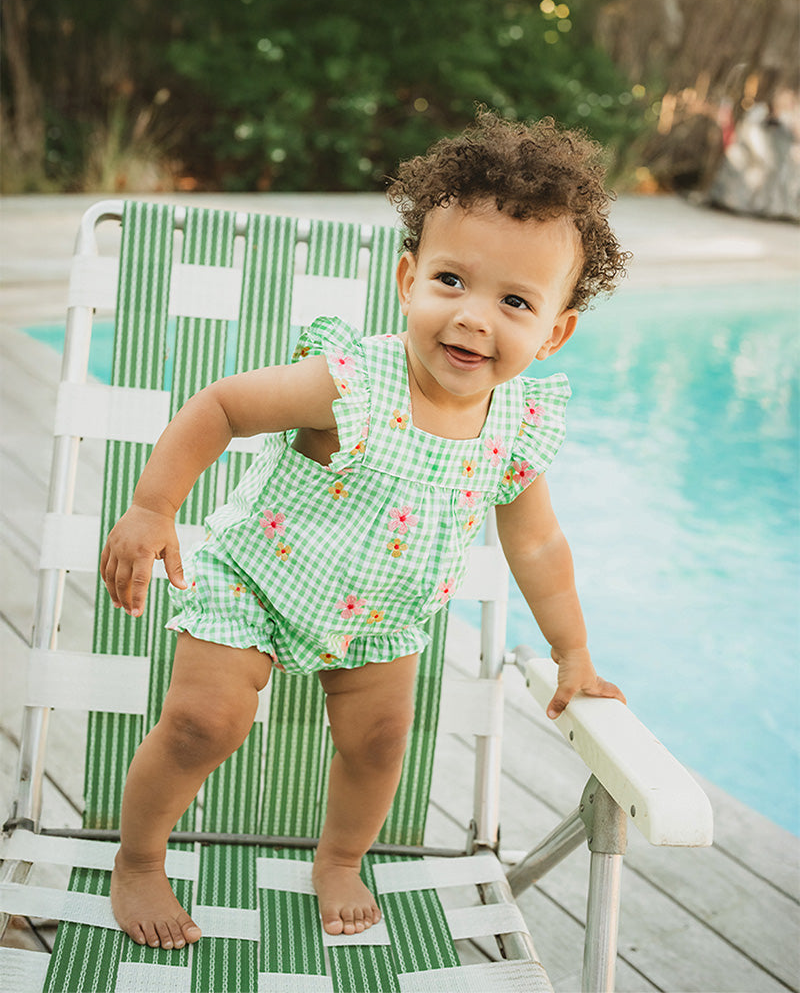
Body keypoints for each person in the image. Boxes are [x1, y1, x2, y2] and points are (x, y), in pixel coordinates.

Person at [100, 108, 629, 951]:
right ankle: (137, 859)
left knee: (380, 744)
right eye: (451, 281)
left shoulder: (516, 430)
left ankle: (341, 860)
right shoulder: (353, 380)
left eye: (514, 301)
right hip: (258, 578)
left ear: (554, 331)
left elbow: (537, 546)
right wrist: (154, 507)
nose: (474, 317)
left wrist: (574, 653)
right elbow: (224, 406)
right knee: (206, 722)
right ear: (408, 280)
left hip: (381, 615)